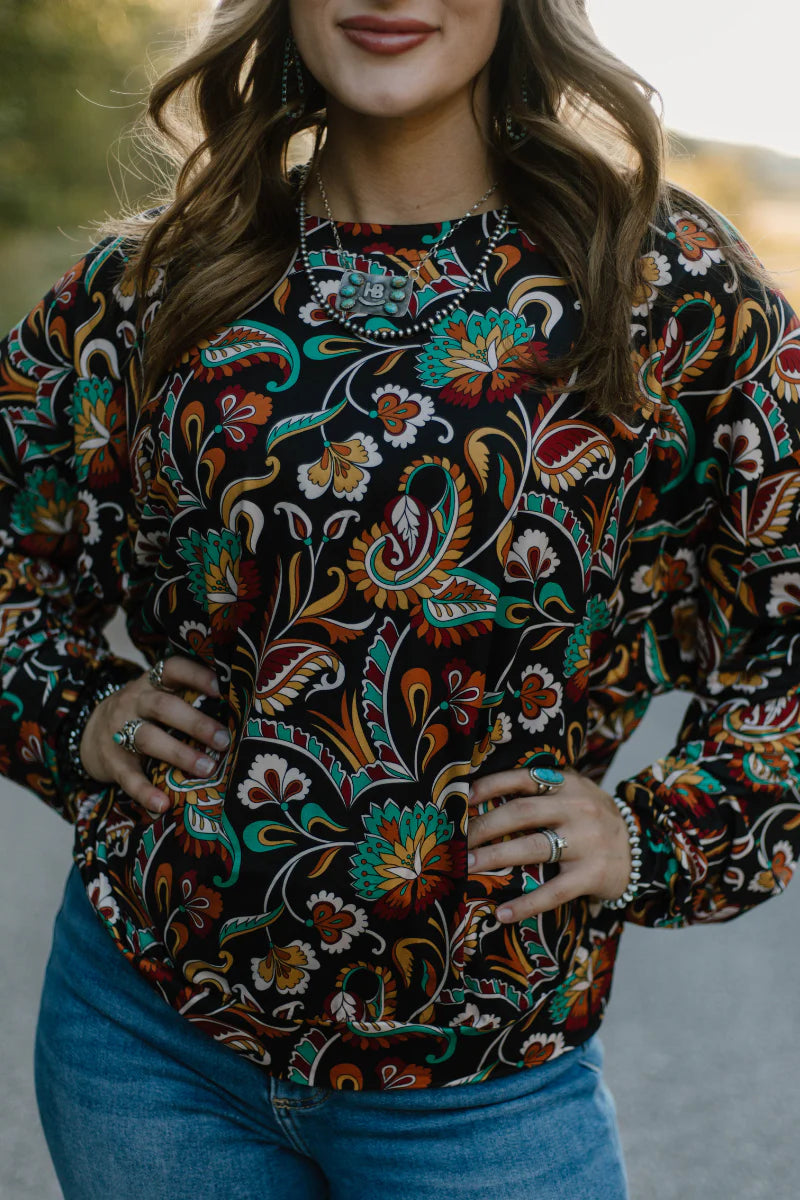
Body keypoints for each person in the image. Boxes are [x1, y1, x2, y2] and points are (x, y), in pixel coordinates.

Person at [1, 0, 799, 1197]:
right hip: (147, 1047)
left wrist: (660, 832)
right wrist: (73, 714)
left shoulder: (660, 285)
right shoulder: (160, 280)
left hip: (482, 1084)